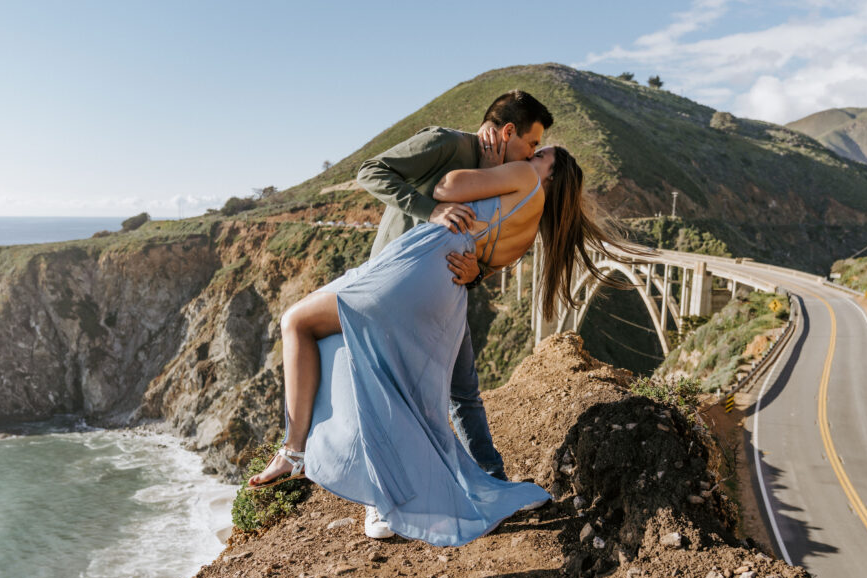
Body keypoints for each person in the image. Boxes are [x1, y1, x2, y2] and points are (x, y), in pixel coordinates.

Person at [247, 145, 636, 547]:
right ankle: (386, 497)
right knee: (395, 387)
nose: (530, 155)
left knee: (297, 322)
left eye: (540, 155)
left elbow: (448, 186)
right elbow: (479, 268)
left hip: (417, 266)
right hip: (447, 294)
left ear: (550, 174)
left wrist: (476, 180)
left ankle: (296, 452)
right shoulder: (529, 229)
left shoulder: (523, 176)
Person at [353, 90, 553, 538]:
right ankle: (379, 503)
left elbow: (486, 239)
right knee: (390, 391)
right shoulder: (446, 144)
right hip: (393, 286)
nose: (532, 156)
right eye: (531, 144)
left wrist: (475, 273)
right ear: (506, 133)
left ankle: (491, 481)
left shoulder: (495, 176)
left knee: (464, 391)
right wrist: (432, 210)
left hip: (444, 291)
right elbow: (370, 171)